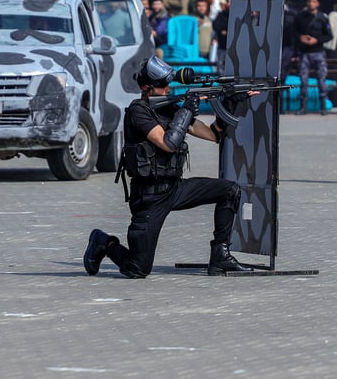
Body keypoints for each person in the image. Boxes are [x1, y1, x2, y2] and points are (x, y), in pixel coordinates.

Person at [83, 57, 249, 278]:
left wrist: (230, 104)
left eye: (167, 84)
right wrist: (187, 110)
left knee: (230, 190)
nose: (167, 89)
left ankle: (220, 255)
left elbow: (213, 134)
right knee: (137, 269)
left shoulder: (169, 108)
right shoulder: (138, 111)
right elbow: (168, 143)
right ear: (145, 87)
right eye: (162, 85)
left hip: (174, 188)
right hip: (149, 197)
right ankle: (103, 242)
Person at [292, 0, 332, 115]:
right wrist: (300, 37)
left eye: (314, 2)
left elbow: (329, 35)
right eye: (309, 1)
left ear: (318, 3)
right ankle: (303, 106)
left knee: (321, 80)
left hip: (318, 52)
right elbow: (294, 32)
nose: (311, 4)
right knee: (303, 80)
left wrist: (317, 40)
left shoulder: (323, 18)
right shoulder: (300, 17)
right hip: (304, 53)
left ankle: (323, 106)